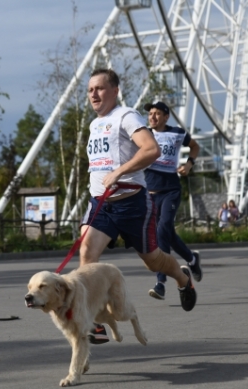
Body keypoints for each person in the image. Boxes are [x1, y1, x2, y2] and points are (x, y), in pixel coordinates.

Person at [82, 68, 197, 344]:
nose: (93, 94)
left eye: (99, 88)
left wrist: (119, 172)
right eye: (89, 90)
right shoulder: (94, 124)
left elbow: (151, 150)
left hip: (132, 204)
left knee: (153, 260)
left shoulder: (127, 116)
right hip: (101, 204)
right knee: (87, 252)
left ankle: (183, 279)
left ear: (114, 91)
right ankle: (93, 321)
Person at [142, 101, 203, 300]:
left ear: (166, 116)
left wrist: (189, 164)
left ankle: (160, 283)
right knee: (166, 234)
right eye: (150, 113)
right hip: (149, 193)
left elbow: (195, 146)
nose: (152, 117)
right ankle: (192, 258)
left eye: (157, 113)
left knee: (162, 229)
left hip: (170, 190)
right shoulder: (144, 134)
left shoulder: (177, 133)